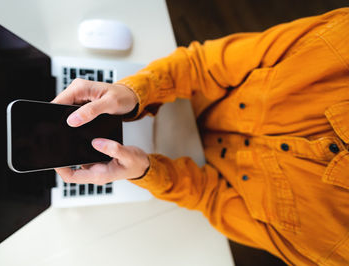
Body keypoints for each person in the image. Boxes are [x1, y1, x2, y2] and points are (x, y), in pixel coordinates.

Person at [53, 8, 349, 265]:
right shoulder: (341, 44)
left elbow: (212, 199)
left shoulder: (337, 250)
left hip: (187, 169)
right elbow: (201, 65)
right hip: (181, 97)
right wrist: (134, 92)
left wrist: (146, 172)